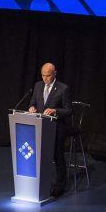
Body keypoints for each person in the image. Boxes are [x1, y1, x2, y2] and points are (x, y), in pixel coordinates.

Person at [28, 63, 72, 197]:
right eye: (43, 75)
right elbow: (32, 103)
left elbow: (69, 110)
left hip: (56, 127)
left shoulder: (63, 88)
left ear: (54, 74)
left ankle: (60, 185)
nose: (45, 79)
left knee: (57, 156)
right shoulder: (38, 85)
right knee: (39, 156)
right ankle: (40, 182)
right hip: (40, 125)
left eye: (48, 76)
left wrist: (55, 110)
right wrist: (31, 108)